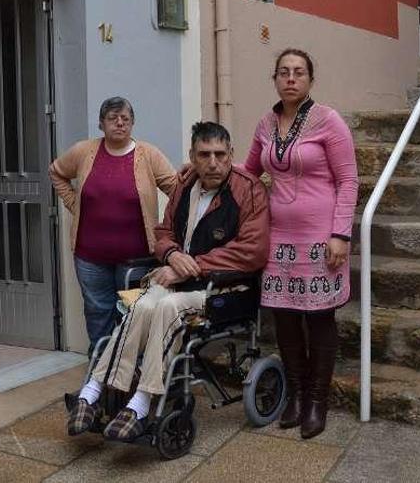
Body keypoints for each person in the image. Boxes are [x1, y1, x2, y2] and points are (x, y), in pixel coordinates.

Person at [67, 121, 269, 441]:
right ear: (193, 154)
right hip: (179, 281)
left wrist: (192, 267)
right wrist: (173, 255)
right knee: (142, 304)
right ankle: (91, 394)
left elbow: (253, 252)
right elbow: (163, 234)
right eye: (204, 154)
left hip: (225, 289)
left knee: (167, 307)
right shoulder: (185, 184)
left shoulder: (249, 189)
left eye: (220, 154)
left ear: (232, 155)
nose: (213, 162)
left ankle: (141, 402)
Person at [244, 48, 359, 439]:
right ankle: (293, 395)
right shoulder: (265, 123)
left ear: (310, 79)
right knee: (285, 317)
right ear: (274, 79)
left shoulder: (328, 120)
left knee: (320, 318)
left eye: (298, 73)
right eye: (283, 72)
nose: (290, 79)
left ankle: (316, 401)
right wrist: (208, 170)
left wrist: (341, 234)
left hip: (321, 236)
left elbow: (348, 181)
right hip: (279, 238)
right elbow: (248, 171)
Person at [49, 97, 177, 353]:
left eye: (125, 119)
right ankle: (99, 372)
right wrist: (75, 205)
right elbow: (56, 172)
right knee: (98, 314)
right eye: (112, 118)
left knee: (135, 315)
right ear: (101, 124)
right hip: (90, 258)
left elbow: (177, 189)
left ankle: (132, 376)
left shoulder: (148, 155)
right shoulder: (83, 152)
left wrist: (169, 226)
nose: (119, 123)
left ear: (132, 123)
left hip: (137, 260)